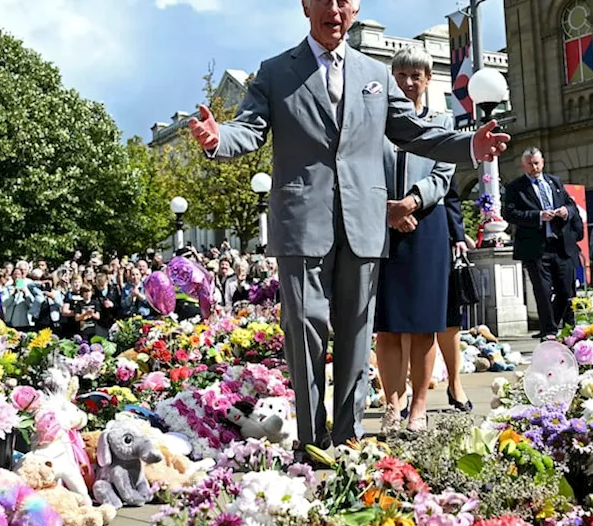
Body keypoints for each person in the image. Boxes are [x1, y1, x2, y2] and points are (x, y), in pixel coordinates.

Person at [188, 0, 507, 449]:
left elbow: (413, 131)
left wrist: (467, 145)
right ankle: (312, 436)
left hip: (362, 221)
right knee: (304, 329)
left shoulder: (374, 74)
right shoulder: (277, 71)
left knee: (358, 335)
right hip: (302, 223)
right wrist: (218, 137)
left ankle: (348, 437)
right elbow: (249, 129)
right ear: (305, 5)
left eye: (344, 1)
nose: (334, 9)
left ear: (355, 9)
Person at [372, 46, 459, 434]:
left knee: (424, 324)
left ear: (428, 80)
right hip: (380, 224)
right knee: (387, 325)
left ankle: (419, 407)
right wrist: (387, 209)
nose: (409, 82)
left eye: (416, 75)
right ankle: (392, 402)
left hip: (427, 226)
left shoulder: (442, 120)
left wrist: (411, 202)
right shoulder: (375, 122)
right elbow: (362, 168)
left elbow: (443, 172)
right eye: (402, 75)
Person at [501, 147, 582, 338]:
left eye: (536, 163)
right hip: (536, 248)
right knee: (543, 292)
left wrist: (565, 211)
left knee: (566, 291)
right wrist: (538, 216)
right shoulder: (515, 188)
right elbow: (510, 214)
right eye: (529, 164)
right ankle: (550, 331)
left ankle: (551, 323)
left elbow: (571, 205)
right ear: (523, 165)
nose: (534, 167)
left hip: (560, 245)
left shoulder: (555, 182)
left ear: (543, 162)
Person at [437, 184, 472, 414]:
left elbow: (451, 196)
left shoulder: (438, 150)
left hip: (439, 237)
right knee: (405, 325)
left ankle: (454, 382)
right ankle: (401, 394)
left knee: (449, 318)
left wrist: (458, 235)